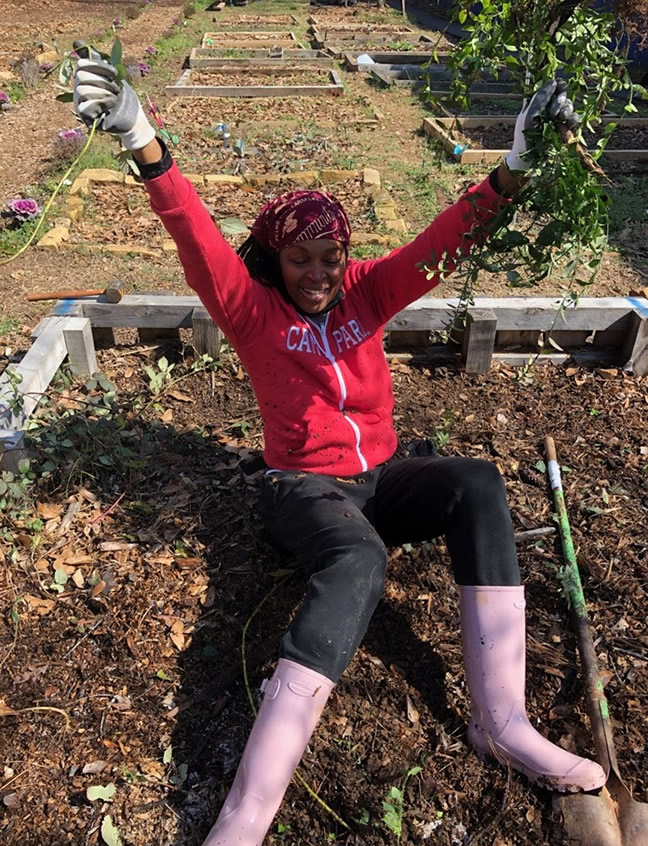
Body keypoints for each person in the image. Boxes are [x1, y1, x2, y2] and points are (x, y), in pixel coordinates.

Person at [74, 57, 604, 845]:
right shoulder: (251, 311)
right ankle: (244, 818)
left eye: (329, 257)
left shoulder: (367, 290)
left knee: (476, 483)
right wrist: (144, 140)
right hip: (304, 488)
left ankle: (501, 722)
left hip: (381, 474)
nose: (318, 274)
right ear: (277, 260)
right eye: (300, 259)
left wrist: (514, 167)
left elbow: (445, 242)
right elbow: (194, 235)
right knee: (358, 563)